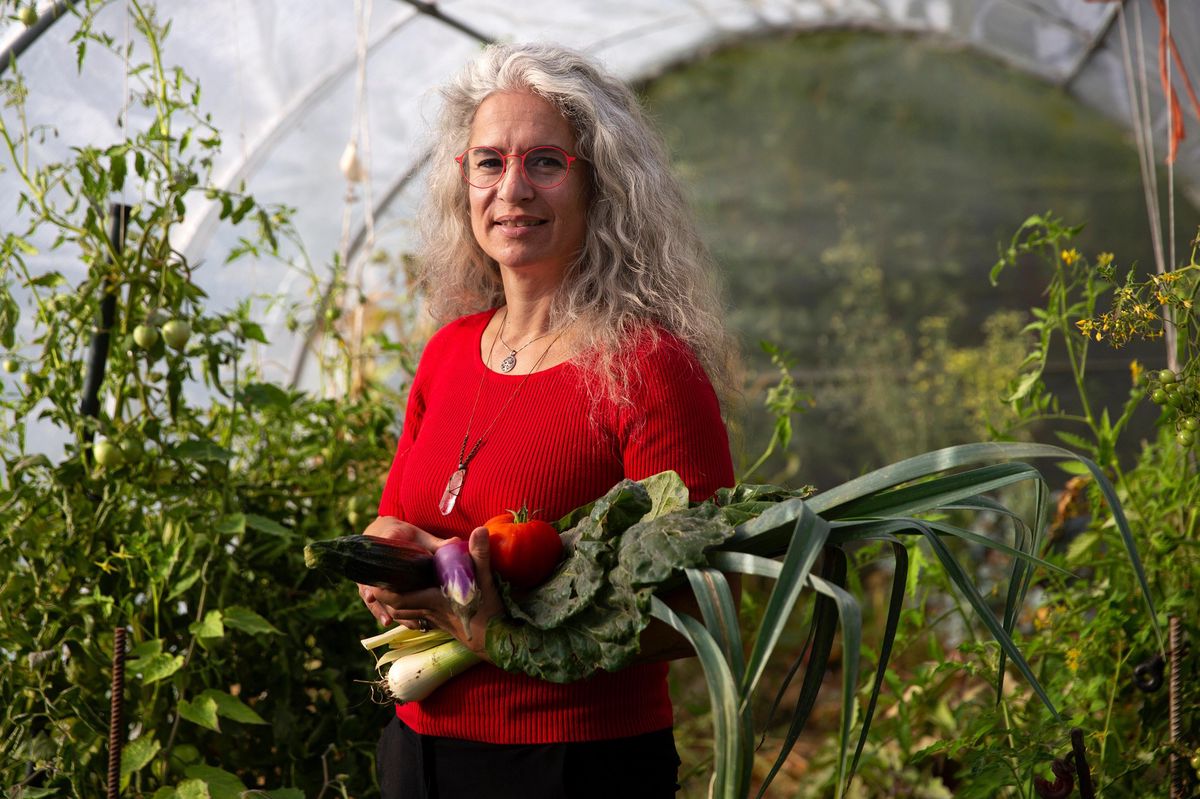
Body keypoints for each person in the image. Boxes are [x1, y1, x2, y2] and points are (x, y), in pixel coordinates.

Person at [357, 42, 738, 798]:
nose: (512, 190)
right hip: (419, 749)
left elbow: (701, 607)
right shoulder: (447, 353)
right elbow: (394, 519)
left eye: (546, 163)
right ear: (462, 181)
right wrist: (385, 572)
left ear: (600, 185)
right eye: (489, 162)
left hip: (572, 764)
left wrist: (508, 631)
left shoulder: (648, 367)